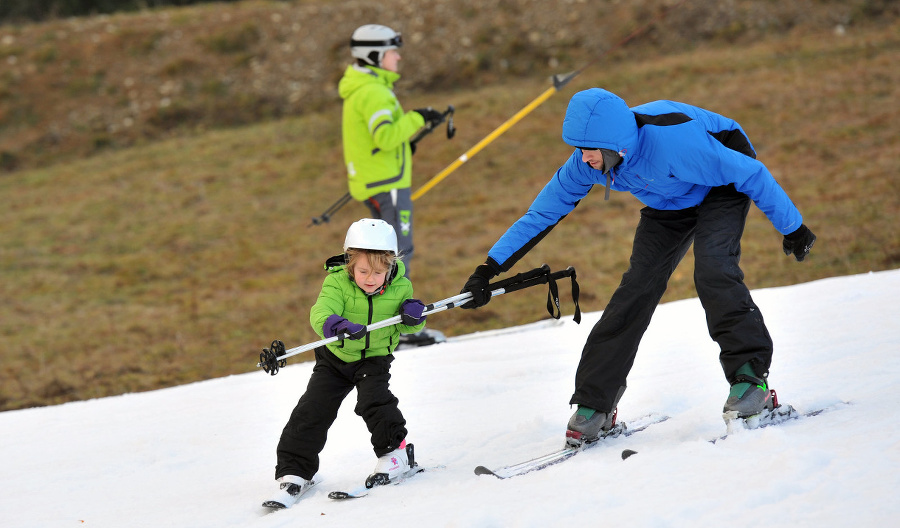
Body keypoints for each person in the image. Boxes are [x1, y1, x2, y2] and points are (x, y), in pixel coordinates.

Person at [459, 88, 817, 446]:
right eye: (579, 149)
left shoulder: (674, 144)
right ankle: (593, 404)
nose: (583, 158)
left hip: (720, 186)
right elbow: (541, 215)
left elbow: (751, 172)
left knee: (713, 269)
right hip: (668, 201)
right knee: (635, 290)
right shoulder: (590, 161)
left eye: (590, 150)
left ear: (616, 145)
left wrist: (793, 227)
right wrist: (487, 270)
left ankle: (749, 380)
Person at [264, 218, 427, 509]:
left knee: (375, 402)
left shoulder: (400, 286)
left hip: (374, 359)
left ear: (391, 265)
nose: (370, 278)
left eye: (379, 272)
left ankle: (395, 456)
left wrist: (414, 316)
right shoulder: (336, 282)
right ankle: (295, 472)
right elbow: (320, 311)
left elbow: (405, 326)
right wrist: (335, 324)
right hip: (335, 359)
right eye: (363, 270)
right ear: (350, 262)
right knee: (313, 410)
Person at [338, 23, 444, 279]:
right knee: (399, 252)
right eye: (392, 52)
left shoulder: (362, 87)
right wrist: (418, 117)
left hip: (376, 180)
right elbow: (385, 137)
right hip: (388, 184)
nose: (398, 57)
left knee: (381, 252)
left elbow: (373, 140)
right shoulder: (374, 92)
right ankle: (398, 313)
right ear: (375, 56)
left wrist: (404, 147)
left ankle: (384, 308)